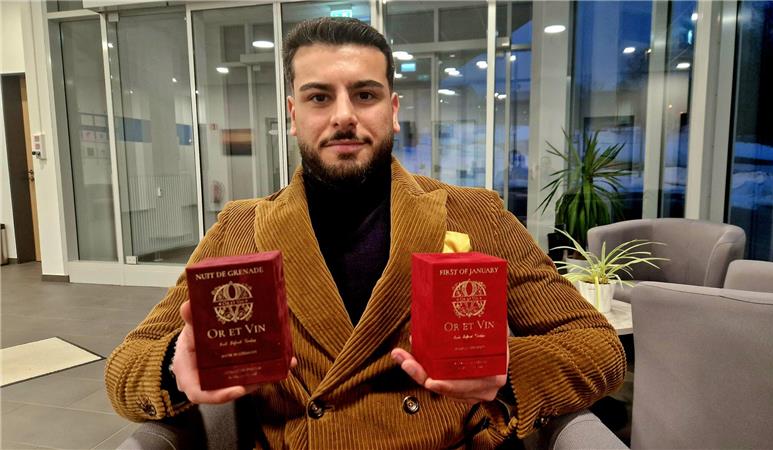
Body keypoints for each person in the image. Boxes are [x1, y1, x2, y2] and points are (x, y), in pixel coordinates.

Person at [105, 17, 625, 449]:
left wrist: (506, 372)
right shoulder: (241, 228)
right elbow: (124, 371)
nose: (344, 116)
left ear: (393, 111)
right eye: (318, 97)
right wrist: (177, 367)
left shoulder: (474, 215)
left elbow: (599, 349)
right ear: (292, 115)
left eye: (365, 94)